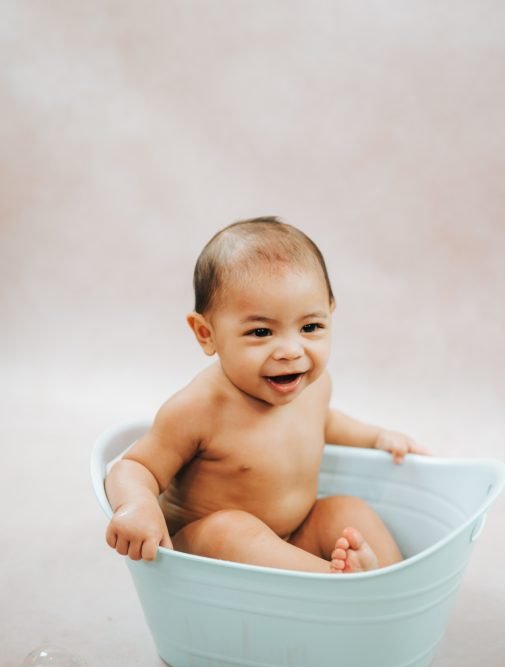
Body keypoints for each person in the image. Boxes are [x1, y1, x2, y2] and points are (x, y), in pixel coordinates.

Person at [105, 217, 429, 573]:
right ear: (206, 333)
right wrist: (137, 506)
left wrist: (376, 436)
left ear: (330, 313)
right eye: (261, 331)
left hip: (289, 539)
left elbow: (326, 422)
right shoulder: (200, 408)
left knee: (345, 510)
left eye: (310, 327)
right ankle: (339, 585)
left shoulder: (314, 385)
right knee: (232, 529)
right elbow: (134, 466)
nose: (291, 350)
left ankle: (390, 584)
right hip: (206, 557)